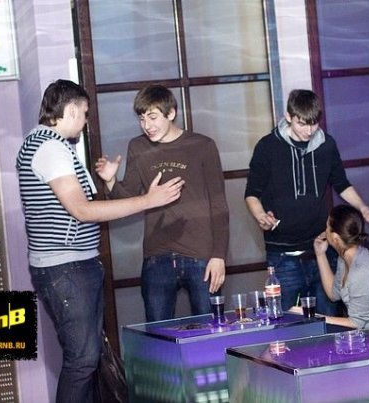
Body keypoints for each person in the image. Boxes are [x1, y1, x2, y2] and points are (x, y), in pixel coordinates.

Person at [16, 79, 184, 403]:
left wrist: (112, 183)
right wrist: (148, 200)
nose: (85, 122)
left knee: (87, 359)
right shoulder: (51, 148)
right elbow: (82, 210)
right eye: (84, 113)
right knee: (83, 361)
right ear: (71, 110)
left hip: (69, 266)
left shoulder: (42, 143)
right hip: (66, 267)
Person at [245, 89, 369, 316]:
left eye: (313, 124)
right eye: (302, 124)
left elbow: (341, 184)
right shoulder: (267, 147)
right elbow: (252, 193)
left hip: (321, 247)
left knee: (328, 318)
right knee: (283, 321)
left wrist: (364, 209)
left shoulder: (326, 145)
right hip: (283, 255)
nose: (309, 131)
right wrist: (260, 215)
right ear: (288, 116)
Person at [95, 84, 229, 322]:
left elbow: (219, 205)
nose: (147, 125)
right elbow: (129, 200)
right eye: (142, 118)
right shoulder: (138, 147)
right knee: (158, 335)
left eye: (153, 117)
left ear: (171, 113)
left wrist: (219, 256)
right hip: (157, 257)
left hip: (201, 256)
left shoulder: (202, 145)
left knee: (210, 332)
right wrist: (111, 181)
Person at [291, 204, 369, 328]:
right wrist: (320, 254)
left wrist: (312, 317)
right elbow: (333, 294)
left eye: (327, 227)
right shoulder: (346, 257)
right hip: (367, 333)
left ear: (335, 237)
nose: (324, 231)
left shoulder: (362, 271)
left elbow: (356, 323)